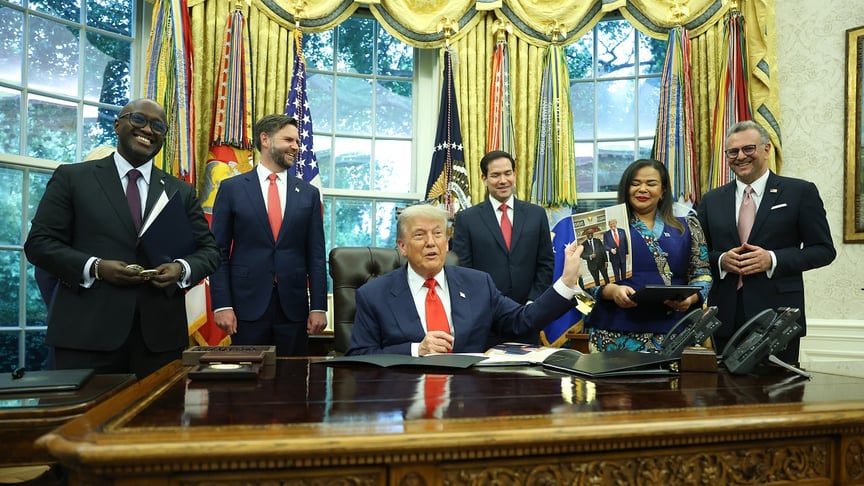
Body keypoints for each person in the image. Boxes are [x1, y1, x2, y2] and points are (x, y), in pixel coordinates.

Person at [24, 98, 220, 378]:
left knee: (156, 420)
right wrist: (96, 267)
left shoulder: (180, 191)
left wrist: (181, 269)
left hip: (159, 342)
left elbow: (210, 251)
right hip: (86, 336)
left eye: (158, 126)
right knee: (84, 422)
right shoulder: (73, 178)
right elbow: (39, 244)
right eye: (139, 120)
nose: (148, 129)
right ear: (118, 125)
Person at [346, 204, 584, 356]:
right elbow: (360, 355)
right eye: (420, 235)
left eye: (438, 234)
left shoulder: (478, 284)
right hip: (404, 399)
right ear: (402, 247)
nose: (431, 242)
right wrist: (416, 349)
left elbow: (524, 321)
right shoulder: (374, 294)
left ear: (447, 242)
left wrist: (565, 283)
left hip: (468, 399)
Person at [696, 120, 835, 364]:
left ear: (767, 149)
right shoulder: (711, 200)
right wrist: (720, 260)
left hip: (778, 317)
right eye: (733, 152)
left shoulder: (799, 192)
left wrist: (772, 259)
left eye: (749, 149)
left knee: (779, 396)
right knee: (725, 396)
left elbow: (823, 251)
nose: (740, 157)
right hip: (725, 316)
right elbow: (697, 254)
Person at [209, 114, 327, 356]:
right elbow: (217, 252)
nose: (296, 146)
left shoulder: (308, 194)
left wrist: (318, 306)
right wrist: (222, 304)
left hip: (293, 309)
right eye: (288, 140)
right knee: (246, 386)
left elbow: (315, 254)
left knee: (291, 383)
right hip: (245, 306)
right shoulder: (232, 189)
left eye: (297, 141)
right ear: (265, 139)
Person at [584, 159, 712, 353]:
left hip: (675, 330)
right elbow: (587, 276)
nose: (642, 189)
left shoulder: (689, 226)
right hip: (613, 331)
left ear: (663, 191)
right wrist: (612, 291)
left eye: (651, 184)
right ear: (625, 189)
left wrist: (692, 298)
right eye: (635, 184)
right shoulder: (601, 226)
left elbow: (702, 273)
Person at [451, 150, 554, 346]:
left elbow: (546, 263)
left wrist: (533, 302)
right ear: (484, 178)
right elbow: (463, 269)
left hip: (527, 315)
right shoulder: (467, 219)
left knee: (527, 375)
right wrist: (483, 304)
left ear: (515, 174)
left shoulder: (536, 215)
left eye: (508, 173)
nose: (503, 180)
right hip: (484, 319)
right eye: (495, 175)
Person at [603, 218, 629, 282]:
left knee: (624, 274)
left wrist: (627, 253)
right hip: (614, 257)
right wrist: (611, 249)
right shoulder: (606, 234)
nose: (612, 225)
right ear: (609, 225)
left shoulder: (622, 231)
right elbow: (605, 246)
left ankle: (625, 284)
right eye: (610, 224)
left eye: (613, 223)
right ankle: (618, 285)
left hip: (623, 256)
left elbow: (625, 242)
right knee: (616, 274)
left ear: (616, 223)